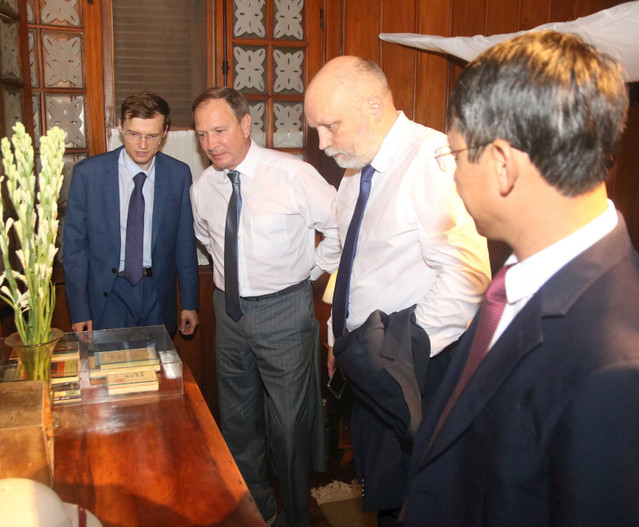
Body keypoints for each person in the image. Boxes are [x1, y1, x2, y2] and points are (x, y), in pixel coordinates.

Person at [403, 30, 639, 526]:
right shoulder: (521, 275)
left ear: (502, 164)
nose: (454, 176)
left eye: (455, 156)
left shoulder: (619, 372)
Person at [304, 56, 491, 524]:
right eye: (317, 130)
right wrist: (339, 339)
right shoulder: (355, 168)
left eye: (330, 126)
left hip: (417, 368)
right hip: (370, 359)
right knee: (386, 492)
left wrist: (396, 355)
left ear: (373, 106)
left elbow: (466, 279)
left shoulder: (432, 160)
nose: (322, 143)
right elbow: (354, 263)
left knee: (423, 499)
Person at [191, 87, 341, 527]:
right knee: (236, 421)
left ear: (245, 124)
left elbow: (341, 225)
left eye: (219, 130)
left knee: (289, 426)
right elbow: (208, 238)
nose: (211, 143)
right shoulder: (203, 187)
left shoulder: (292, 174)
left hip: (284, 312)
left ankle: (296, 516)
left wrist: (312, 269)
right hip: (228, 312)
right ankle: (259, 511)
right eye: (202, 135)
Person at [63, 90, 199, 336]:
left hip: (157, 295)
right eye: (134, 134)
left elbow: (185, 244)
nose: (142, 145)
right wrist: (79, 310)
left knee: (158, 361)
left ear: (165, 132)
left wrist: (189, 302)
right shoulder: (89, 174)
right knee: (109, 361)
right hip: (108, 295)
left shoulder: (178, 175)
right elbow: (75, 248)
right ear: (120, 127)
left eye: (151, 136)